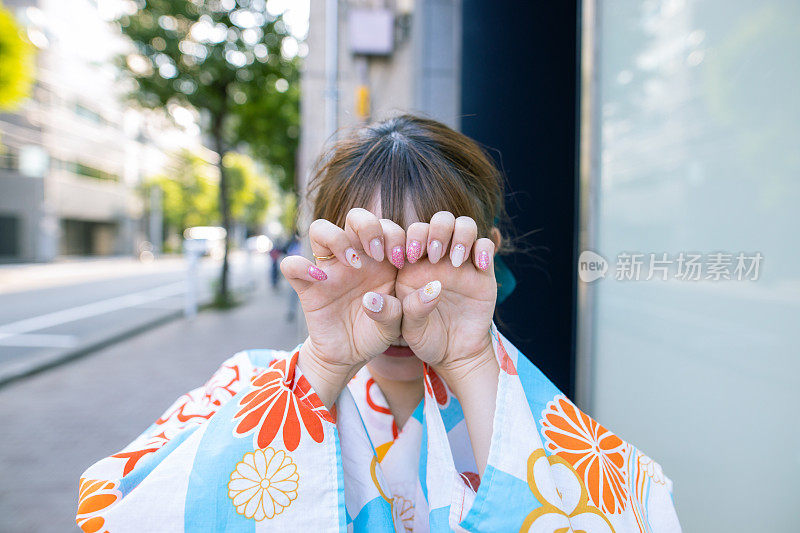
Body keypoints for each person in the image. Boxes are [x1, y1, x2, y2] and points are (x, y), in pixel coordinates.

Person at [76, 115, 681, 532]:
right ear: (320, 256)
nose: (395, 306)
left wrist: (471, 362)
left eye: (428, 260)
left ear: (487, 258)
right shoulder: (247, 382)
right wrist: (325, 362)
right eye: (363, 259)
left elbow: (642, 514)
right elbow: (117, 512)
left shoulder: (521, 418)